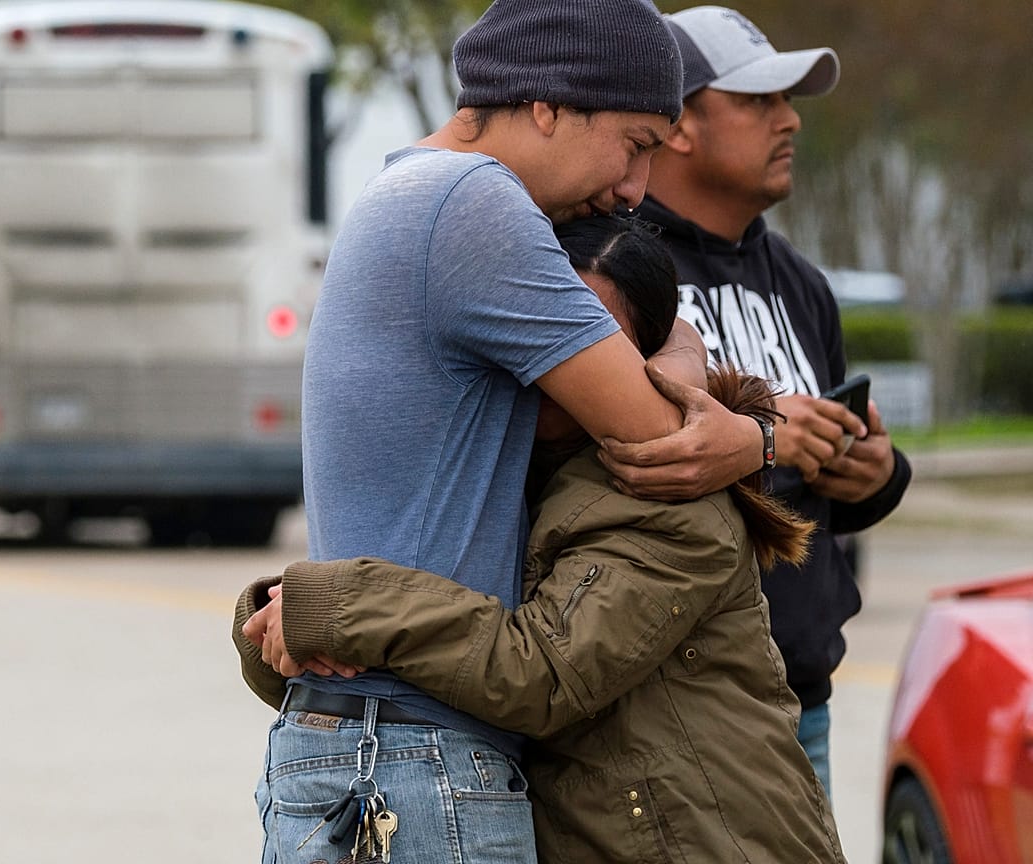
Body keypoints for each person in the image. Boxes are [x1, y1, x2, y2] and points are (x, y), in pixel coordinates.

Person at [246, 1, 774, 862]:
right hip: (414, 756)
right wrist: (716, 388)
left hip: (366, 742)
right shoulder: (474, 204)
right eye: (637, 143)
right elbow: (659, 440)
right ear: (549, 105)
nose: (637, 191)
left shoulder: (403, 189)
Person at [236, 215, 847, 863]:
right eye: (540, 329)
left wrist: (337, 607)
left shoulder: (669, 495)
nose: (553, 359)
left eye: (589, 341)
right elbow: (401, 651)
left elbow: (544, 675)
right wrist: (281, 621)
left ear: (638, 358)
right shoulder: (510, 467)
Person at [616, 4, 914, 793]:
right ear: (676, 124)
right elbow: (614, 471)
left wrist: (874, 473)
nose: (790, 122)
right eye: (758, 100)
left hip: (804, 703)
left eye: (789, 101)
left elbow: (825, 511)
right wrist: (771, 437)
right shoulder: (617, 271)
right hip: (682, 712)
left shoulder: (801, 282)